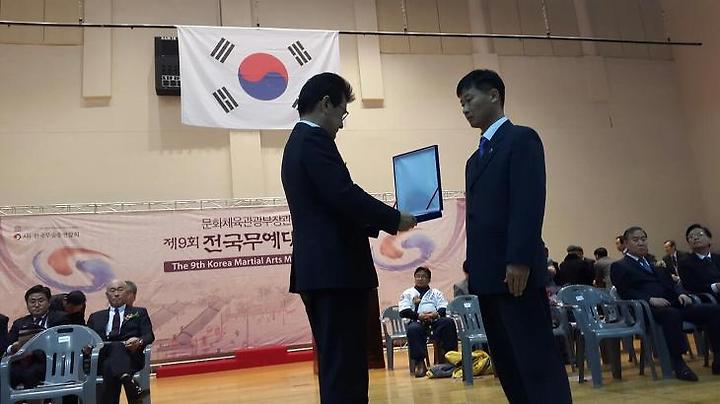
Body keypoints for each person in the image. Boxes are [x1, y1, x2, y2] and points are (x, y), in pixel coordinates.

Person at [280, 72, 417, 404]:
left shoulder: (299, 142)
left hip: (322, 272)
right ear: (326, 104)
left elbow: (332, 205)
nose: (342, 123)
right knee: (346, 368)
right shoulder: (313, 141)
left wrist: (379, 220)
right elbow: (343, 194)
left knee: (339, 365)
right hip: (335, 272)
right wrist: (393, 219)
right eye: (342, 113)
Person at [458, 69, 571, 403]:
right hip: (487, 276)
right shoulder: (473, 160)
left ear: (494, 95)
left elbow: (528, 203)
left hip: (515, 272)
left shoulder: (521, 139)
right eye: (461, 104)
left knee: (535, 359)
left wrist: (519, 258)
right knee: (508, 362)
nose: (465, 109)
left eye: (469, 99)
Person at [611, 226, 720, 381]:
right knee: (671, 314)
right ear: (626, 243)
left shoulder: (654, 262)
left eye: (643, 239)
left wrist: (681, 293)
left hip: (671, 303)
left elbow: (671, 283)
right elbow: (625, 291)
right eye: (636, 240)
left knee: (713, 310)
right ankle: (678, 364)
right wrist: (649, 299)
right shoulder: (620, 266)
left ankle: (718, 358)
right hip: (648, 309)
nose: (641, 243)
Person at [87, 280, 154, 404]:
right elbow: (88, 341)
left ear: (127, 293)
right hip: (103, 355)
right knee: (115, 347)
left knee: (110, 365)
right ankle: (129, 382)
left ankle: (125, 378)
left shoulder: (139, 313)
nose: (116, 294)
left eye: (120, 290)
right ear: (107, 295)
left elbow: (149, 336)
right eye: (112, 290)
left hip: (130, 357)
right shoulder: (95, 317)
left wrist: (139, 341)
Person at [6, 285, 69, 389]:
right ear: (27, 304)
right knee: (8, 372)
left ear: (49, 302)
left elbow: (66, 341)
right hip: (23, 361)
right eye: (32, 302)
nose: (36, 305)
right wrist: (13, 347)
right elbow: (7, 345)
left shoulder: (61, 318)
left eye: (41, 301)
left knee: (30, 373)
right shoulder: (19, 323)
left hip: (51, 361)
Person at [399, 266, 458, 377]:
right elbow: (403, 311)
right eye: (418, 276)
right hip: (417, 321)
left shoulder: (436, 293)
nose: (420, 279)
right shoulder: (408, 293)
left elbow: (442, 307)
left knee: (448, 322)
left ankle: (448, 358)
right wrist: (418, 315)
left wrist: (435, 314)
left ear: (429, 279)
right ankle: (420, 363)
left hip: (434, 320)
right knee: (413, 329)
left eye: (424, 276)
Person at [678, 224, 720, 297]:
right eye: (691, 237)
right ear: (689, 243)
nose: (695, 238)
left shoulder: (717, 257)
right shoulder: (685, 263)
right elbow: (691, 287)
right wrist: (715, 287)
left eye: (700, 235)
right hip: (710, 297)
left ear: (709, 240)